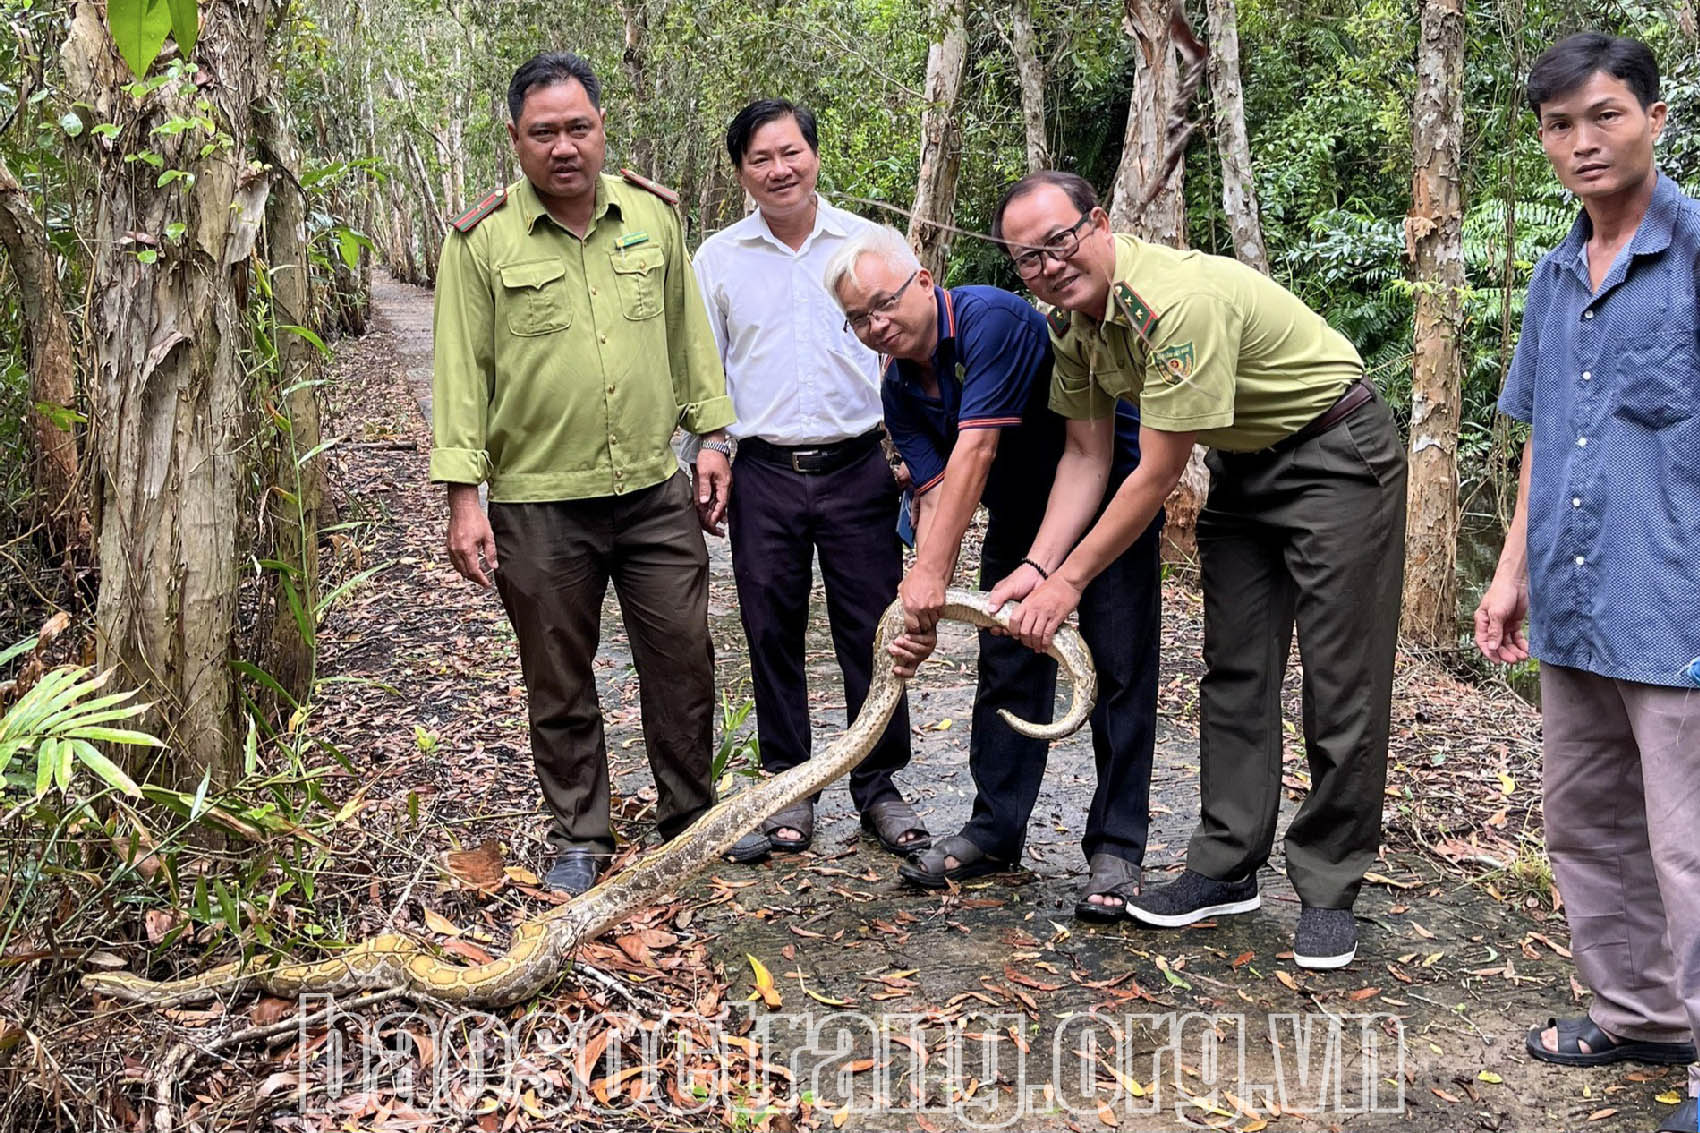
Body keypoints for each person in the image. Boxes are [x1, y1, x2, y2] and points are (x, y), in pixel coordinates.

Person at [987, 171, 1406, 969]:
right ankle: (1225, 862)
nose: (1047, 265)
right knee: (1235, 668)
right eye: (1026, 258)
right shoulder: (1076, 330)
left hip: (1335, 452)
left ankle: (1327, 884)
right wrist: (1036, 563)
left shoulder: (1173, 302)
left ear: (1099, 223)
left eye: (1059, 242)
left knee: (1338, 675)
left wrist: (1067, 585)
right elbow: (1086, 455)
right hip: (1244, 467)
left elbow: (1155, 473)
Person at [430, 52, 735, 896]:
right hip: (537, 502)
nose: (564, 147)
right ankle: (581, 832)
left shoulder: (652, 216)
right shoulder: (481, 240)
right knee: (558, 674)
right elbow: (462, 370)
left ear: (602, 130)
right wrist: (465, 495)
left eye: (578, 128)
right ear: (516, 140)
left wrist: (713, 437)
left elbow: (686, 336)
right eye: (543, 132)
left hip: (652, 489)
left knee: (682, 658)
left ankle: (690, 818)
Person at [1474, 34, 1698, 1132]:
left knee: (1689, 843)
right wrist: (1508, 571)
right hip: (1573, 601)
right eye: (1559, 125)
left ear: (1654, 117)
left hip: (1678, 607)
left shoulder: (1694, 250)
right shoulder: (1555, 270)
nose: (1581, 142)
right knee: (1587, 822)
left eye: (1602, 115)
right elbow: (1542, 434)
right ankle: (1641, 1013)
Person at [824, 225, 1163, 919]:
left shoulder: (991, 317)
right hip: (1019, 515)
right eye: (857, 318)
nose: (875, 325)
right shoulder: (898, 391)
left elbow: (975, 452)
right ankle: (995, 829)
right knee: (1007, 662)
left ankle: (1117, 846)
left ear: (924, 280)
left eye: (883, 304)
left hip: (1103, 499)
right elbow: (932, 494)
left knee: (1119, 666)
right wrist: (920, 606)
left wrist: (928, 579)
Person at [690, 101, 926, 863]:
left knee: (872, 630)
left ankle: (878, 785)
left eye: (790, 152)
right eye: (760, 158)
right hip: (764, 470)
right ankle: (789, 786)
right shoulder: (718, 258)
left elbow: (909, 348)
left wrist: (914, 454)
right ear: (741, 172)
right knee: (770, 629)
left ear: (814, 155)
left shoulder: (867, 243)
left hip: (860, 465)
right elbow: (706, 367)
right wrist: (711, 446)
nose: (778, 169)